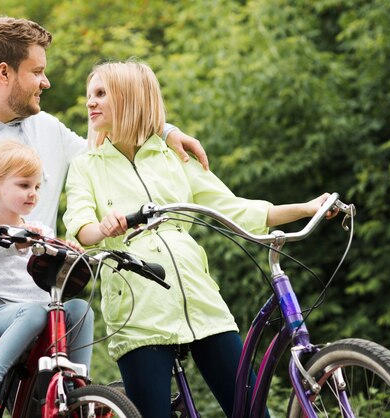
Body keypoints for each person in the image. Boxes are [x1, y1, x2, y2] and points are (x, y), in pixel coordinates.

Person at [0, 16, 208, 418]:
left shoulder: (48, 131)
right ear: (4, 73)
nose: (46, 82)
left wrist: (164, 131)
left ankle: (65, 404)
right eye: (37, 72)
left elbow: (106, 153)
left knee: (75, 312)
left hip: (27, 275)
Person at [63, 60, 337, 418]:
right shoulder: (87, 165)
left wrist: (305, 208)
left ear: (129, 98)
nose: (90, 103)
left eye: (100, 93)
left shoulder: (172, 156)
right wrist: (103, 227)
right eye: (90, 95)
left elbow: (234, 208)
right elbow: (80, 226)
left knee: (252, 412)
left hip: (201, 301)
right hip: (139, 309)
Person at [0, 141, 93, 404]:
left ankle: (78, 387)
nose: (33, 193)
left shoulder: (40, 230)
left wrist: (68, 252)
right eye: (24, 185)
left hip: (47, 311)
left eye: (36, 187)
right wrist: (19, 243)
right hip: (1, 311)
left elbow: (53, 260)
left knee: (81, 310)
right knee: (34, 313)